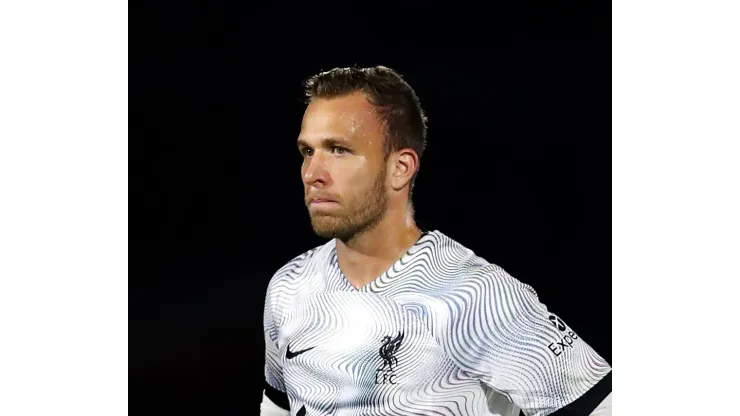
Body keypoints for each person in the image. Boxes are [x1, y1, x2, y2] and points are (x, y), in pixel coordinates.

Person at [260, 65, 612, 416]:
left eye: (338, 150)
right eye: (308, 151)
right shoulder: (289, 287)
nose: (312, 174)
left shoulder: (476, 294)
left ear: (400, 168)